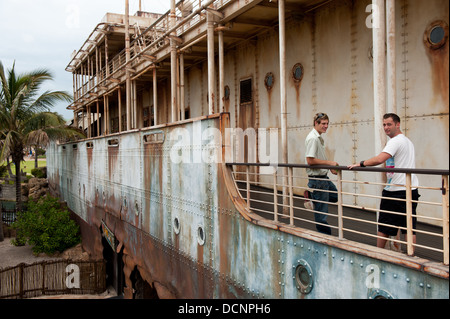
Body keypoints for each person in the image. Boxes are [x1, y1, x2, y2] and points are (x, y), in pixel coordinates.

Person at [348, 113, 420, 251]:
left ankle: (378, 253)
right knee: (409, 226)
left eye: (389, 124)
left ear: (398, 124)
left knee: (384, 225)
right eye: (384, 125)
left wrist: (361, 163)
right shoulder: (407, 141)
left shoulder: (395, 141)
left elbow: (380, 159)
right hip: (410, 189)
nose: (386, 128)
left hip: (396, 190)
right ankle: (411, 256)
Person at [304, 112, 339, 235]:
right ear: (316, 123)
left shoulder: (318, 137)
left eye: (327, 124)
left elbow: (315, 159)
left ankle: (313, 198)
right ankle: (325, 237)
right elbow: (310, 160)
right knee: (321, 214)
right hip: (318, 180)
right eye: (323, 123)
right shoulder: (313, 138)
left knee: (335, 196)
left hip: (323, 178)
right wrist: (329, 163)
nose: (326, 126)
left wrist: (328, 166)